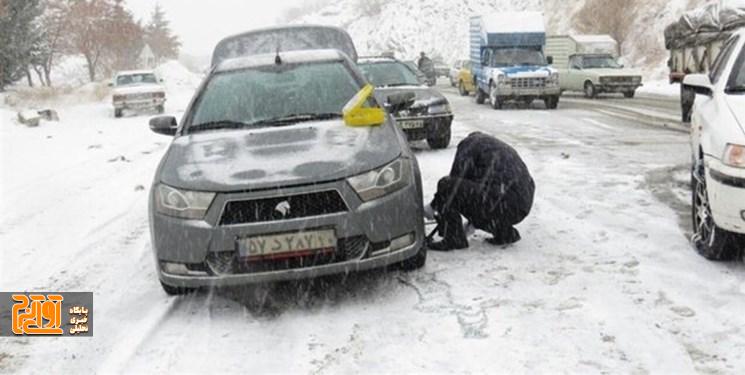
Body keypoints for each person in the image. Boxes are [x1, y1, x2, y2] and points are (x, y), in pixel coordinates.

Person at [425, 132, 535, 251]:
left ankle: (454, 239)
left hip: (504, 198)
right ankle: (505, 234)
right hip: (521, 204)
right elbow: (479, 190)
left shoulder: (469, 144)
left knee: (446, 184)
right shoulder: (493, 148)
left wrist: (433, 206)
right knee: (486, 200)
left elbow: (454, 182)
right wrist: (473, 220)